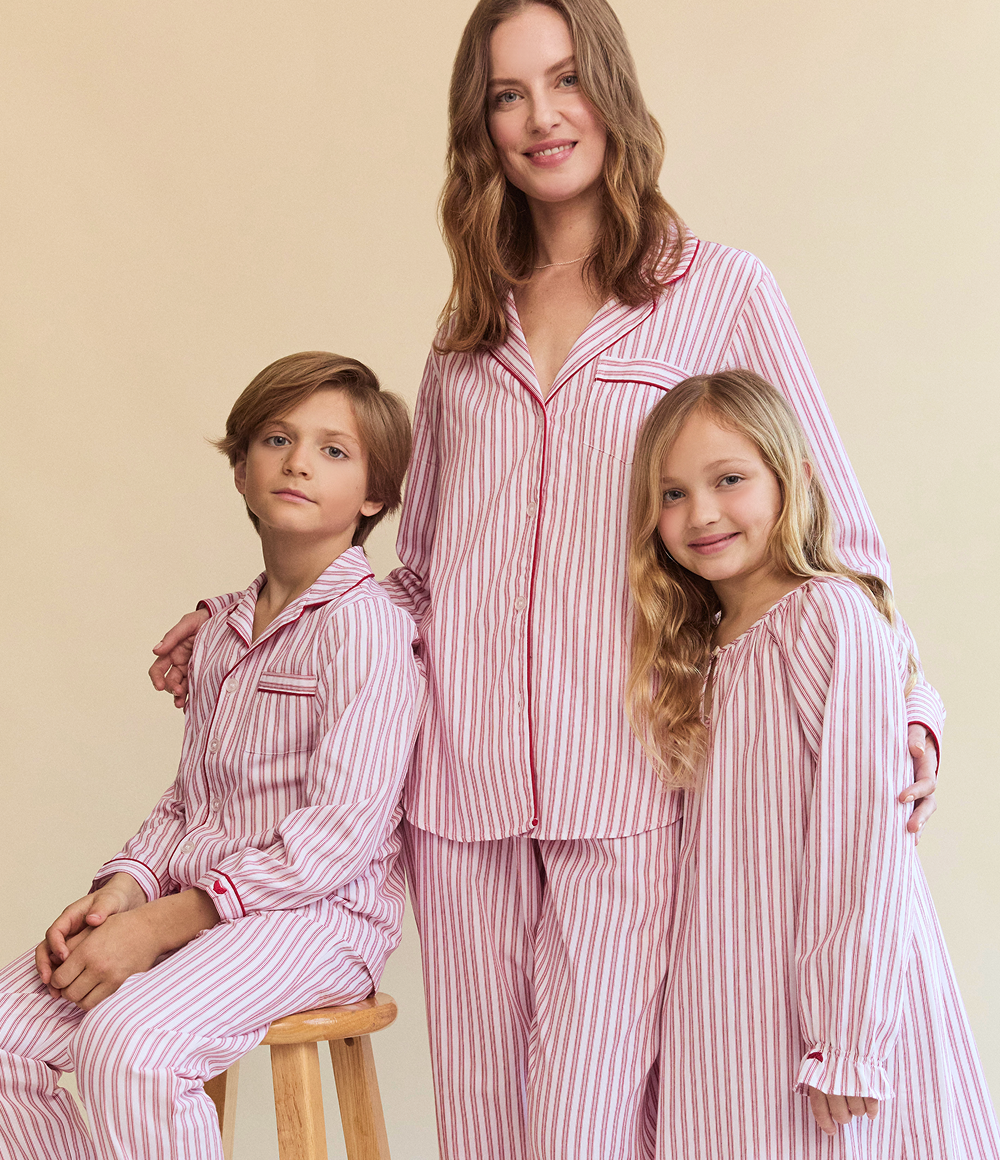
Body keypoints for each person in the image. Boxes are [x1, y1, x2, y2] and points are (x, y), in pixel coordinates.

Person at [148, 3, 941, 1157]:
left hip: (630, 780)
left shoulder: (719, 291)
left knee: (587, 1126)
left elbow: (838, 534)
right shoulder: (467, 326)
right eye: (506, 94)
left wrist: (904, 710)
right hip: (456, 792)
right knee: (482, 1128)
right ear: (482, 127)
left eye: (562, 80)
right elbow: (416, 576)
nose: (539, 117)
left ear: (608, 88)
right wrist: (247, 624)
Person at [0, 353, 424, 1160]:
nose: (298, 460)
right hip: (200, 904)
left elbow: (342, 834)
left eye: (334, 450)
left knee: (130, 1046)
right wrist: (123, 893)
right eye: (275, 437)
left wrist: (167, 921)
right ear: (240, 468)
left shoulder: (364, 628)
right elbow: (190, 803)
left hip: (317, 917)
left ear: (374, 494)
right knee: (6, 1038)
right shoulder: (224, 629)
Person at [626, 368, 1000, 1159]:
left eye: (729, 479)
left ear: (790, 477)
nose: (703, 514)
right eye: (672, 494)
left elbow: (862, 843)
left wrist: (848, 1037)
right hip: (730, 1010)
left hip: (826, 1016)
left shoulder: (828, 619)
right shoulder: (698, 652)